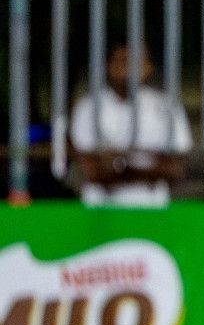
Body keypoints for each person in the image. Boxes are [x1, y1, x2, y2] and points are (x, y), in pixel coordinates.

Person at [69, 44, 193, 209]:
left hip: (153, 209)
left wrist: (120, 165)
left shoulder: (166, 107)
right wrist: (150, 168)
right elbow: (92, 171)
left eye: (134, 62)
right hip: (100, 210)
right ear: (107, 65)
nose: (127, 68)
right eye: (120, 61)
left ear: (148, 67)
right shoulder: (88, 108)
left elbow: (176, 169)